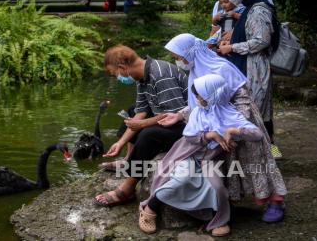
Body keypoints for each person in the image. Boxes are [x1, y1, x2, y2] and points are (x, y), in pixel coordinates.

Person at [160, 33, 287, 222]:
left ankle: (276, 201)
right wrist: (180, 115)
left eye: (179, 57)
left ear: (191, 53)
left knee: (256, 159)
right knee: (229, 165)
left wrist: (236, 125)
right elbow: (202, 102)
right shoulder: (196, 71)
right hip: (217, 128)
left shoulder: (221, 68)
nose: (178, 61)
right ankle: (229, 201)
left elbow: (242, 96)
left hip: (237, 120)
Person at [139, 74, 266, 236]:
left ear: (214, 95)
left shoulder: (232, 115)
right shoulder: (198, 112)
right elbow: (190, 138)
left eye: (200, 96)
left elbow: (257, 135)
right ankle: (149, 207)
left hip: (210, 160)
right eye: (197, 96)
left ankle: (218, 220)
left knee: (217, 187)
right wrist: (210, 135)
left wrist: (234, 130)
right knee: (181, 179)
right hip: (188, 154)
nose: (197, 100)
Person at [94, 45, 188, 207]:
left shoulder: (161, 74)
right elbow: (141, 111)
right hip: (168, 117)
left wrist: (143, 124)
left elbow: (176, 115)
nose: (118, 77)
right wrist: (120, 143)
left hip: (186, 125)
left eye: (115, 73)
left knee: (148, 134)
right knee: (131, 112)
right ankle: (128, 159)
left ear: (123, 67)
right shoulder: (141, 76)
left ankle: (128, 188)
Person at [219, 0, 280, 142]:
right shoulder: (249, 7)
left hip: (255, 69)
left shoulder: (258, 10)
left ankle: (268, 155)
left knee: (257, 115)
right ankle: (270, 153)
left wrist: (232, 47)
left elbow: (261, 41)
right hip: (248, 66)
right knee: (261, 115)